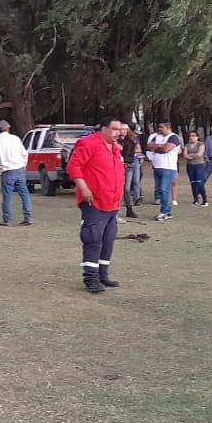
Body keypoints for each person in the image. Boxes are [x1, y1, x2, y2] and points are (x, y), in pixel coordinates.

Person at [67, 117, 127, 293]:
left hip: (112, 203)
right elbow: (73, 167)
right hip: (94, 202)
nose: (119, 133)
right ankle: (91, 279)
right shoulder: (88, 144)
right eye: (115, 129)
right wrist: (83, 188)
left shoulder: (115, 149)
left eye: (120, 130)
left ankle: (102, 275)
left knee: (108, 240)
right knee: (93, 239)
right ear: (104, 129)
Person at [0, 120, 32, 226]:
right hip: (19, 169)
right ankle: (28, 217)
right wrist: (23, 165)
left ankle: (7, 220)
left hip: (7, 171)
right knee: (24, 194)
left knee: (7, 196)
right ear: (8, 128)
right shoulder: (15, 139)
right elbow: (24, 153)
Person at [146, 121, 182, 221]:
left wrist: (156, 147)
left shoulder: (173, 137)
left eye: (161, 127)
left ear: (168, 127)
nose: (159, 129)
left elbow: (165, 149)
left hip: (168, 168)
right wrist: (159, 147)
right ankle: (168, 211)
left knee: (164, 189)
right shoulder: (156, 136)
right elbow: (149, 147)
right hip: (157, 167)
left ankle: (164, 212)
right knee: (160, 190)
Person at [120, 124, 141, 219]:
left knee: (126, 189)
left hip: (128, 166)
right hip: (118, 167)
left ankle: (129, 209)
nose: (124, 131)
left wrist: (128, 162)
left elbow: (131, 155)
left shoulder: (130, 142)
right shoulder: (115, 141)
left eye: (125, 130)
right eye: (122, 129)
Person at [183, 131, 208, 205]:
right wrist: (193, 155)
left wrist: (190, 155)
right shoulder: (187, 145)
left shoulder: (201, 144)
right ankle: (195, 200)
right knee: (193, 183)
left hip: (199, 165)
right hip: (190, 166)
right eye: (190, 136)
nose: (191, 137)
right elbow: (185, 155)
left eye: (193, 135)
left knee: (200, 183)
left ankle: (204, 200)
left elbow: (199, 154)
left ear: (197, 137)